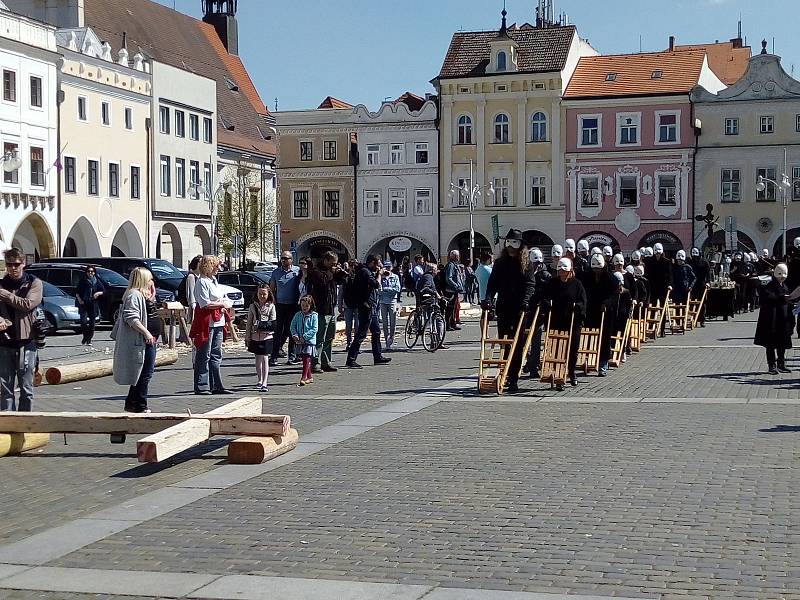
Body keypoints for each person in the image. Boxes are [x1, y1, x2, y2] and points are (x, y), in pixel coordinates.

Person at [484, 229, 536, 393]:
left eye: (514, 243)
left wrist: (526, 301)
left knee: (517, 343)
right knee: (505, 341)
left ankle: (513, 377)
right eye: (508, 243)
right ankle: (504, 373)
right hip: (504, 306)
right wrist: (488, 299)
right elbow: (492, 284)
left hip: (520, 308)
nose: (511, 247)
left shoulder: (526, 264)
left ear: (521, 246)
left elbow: (530, 285)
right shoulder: (500, 263)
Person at [0, 248, 43, 412]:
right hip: (4, 343)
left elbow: (27, 305)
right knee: (5, 390)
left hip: (27, 343)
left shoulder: (34, 282)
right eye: (9, 264)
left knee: (26, 389)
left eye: (16, 264)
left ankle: (25, 425)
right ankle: (7, 426)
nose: (13, 268)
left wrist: (4, 295)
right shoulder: (2, 284)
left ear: (23, 263)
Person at [111, 267, 157, 413]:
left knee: (143, 372)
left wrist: (152, 296)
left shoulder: (141, 295)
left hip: (149, 340)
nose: (152, 281)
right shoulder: (134, 295)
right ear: (142, 280)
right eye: (149, 279)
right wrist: (146, 333)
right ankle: (139, 404)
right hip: (142, 341)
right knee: (144, 373)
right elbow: (131, 317)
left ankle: (131, 402)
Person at [190, 255, 233, 395]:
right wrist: (222, 303)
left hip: (218, 322)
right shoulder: (201, 282)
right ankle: (202, 385)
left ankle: (216, 385)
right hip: (206, 323)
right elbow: (205, 304)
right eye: (216, 266)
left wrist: (225, 303)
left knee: (216, 354)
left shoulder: (213, 281)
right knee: (204, 355)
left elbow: (221, 297)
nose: (218, 269)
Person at [542, 258, 587, 390]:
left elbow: (583, 301)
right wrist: (546, 302)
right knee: (557, 350)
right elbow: (545, 296)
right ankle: (558, 377)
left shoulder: (577, 284)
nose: (561, 272)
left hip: (573, 322)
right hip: (557, 321)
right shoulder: (553, 283)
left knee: (572, 349)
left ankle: (571, 372)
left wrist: (578, 307)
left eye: (564, 270)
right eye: (560, 270)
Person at [346, 255, 391, 369]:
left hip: (371, 306)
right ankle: (351, 359)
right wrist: (379, 275)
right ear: (372, 262)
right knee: (362, 333)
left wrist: (378, 273)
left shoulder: (366, 271)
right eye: (377, 264)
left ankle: (378, 356)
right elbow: (376, 284)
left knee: (376, 332)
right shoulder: (365, 272)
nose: (378, 266)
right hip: (366, 306)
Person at [755, 263, 800, 374]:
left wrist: (791, 301)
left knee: (782, 342)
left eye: (784, 274)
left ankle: (781, 363)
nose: (782, 276)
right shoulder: (769, 286)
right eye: (780, 274)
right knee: (770, 343)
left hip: (782, 318)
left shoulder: (785, 286)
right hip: (772, 319)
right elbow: (767, 298)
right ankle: (772, 365)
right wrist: (781, 297)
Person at [307, 251, 347, 373]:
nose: (334, 265)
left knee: (329, 337)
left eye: (335, 263)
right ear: (326, 261)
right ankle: (315, 363)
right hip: (320, 310)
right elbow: (323, 281)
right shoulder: (316, 271)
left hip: (331, 309)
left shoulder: (331, 272)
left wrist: (341, 273)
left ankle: (326, 362)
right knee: (320, 338)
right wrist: (332, 272)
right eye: (332, 263)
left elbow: (342, 281)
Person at [579, 253, 616, 376]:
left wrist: (607, 303)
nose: (596, 271)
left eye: (598, 269)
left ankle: (603, 363)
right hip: (591, 311)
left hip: (605, 313)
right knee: (589, 336)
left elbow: (614, 295)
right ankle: (588, 360)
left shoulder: (611, 278)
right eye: (594, 268)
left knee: (604, 338)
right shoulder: (586, 277)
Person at [523, 247, 552, 378]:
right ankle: (529, 361)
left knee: (535, 341)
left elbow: (549, 294)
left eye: (538, 263)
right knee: (523, 341)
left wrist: (543, 302)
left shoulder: (545, 276)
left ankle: (533, 367)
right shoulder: (525, 273)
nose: (537, 265)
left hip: (538, 314)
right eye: (534, 263)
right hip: (526, 311)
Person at [269, 251, 301, 367]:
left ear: (291, 259)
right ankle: (274, 356)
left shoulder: (297, 271)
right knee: (278, 331)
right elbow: (271, 289)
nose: (284, 260)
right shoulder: (276, 272)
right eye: (282, 258)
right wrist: (273, 300)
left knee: (292, 330)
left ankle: (292, 356)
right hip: (280, 305)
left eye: (286, 258)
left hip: (293, 305)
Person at [245, 284, 276, 392]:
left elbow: (273, 322)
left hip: (267, 336)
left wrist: (263, 327)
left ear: (268, 294)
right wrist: (247, 337)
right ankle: (259, 380)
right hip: (255, 336)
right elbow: (249, 323)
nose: (262, 296)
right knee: (257, 358)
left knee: (265, 358)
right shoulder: (252, 306)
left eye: (264, 294)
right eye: (260, 294)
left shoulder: (271, 306)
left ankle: (265, 382)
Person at [290, 295, 319, 386]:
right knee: (304, 358)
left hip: (309, 341)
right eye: (303, 305)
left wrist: (305, 337)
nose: (304, 308)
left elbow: (314, 329)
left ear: (310, 306)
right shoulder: (297, 315)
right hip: (299, 341)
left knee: (307, 357)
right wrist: (295, 335)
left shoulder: (314, 316)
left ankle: (303, 377)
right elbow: (292, 326)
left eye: (306, 306)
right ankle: (310, 377)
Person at [75, 265, 103, 346]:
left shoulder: (96, 281)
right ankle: (85, 336)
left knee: (92, 322)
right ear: (86, 272)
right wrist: (80, 299)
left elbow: (103, 290)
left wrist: (98, 293)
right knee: (83, 321)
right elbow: (77, 291)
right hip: (83, 303)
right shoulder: (83, 280)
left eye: (92, 271)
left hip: (93, 303)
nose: (90, 273)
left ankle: (89, 339)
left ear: (94, 273)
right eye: (88, 271)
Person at [378, 260, 401, 350]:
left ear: (391, 268)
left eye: (389, 267)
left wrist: (386, 289)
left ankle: (391, 338)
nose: (387, 269)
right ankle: (387, 341)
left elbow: (397, 289)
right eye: (386, 267)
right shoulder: (381, 277)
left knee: (393, 322)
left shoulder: (395, 277)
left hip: (392, 301)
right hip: (383, 301)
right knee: (384, 322)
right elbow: (379, 290)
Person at [339, 260, 360, 353]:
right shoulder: (345, 278)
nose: (353, 268)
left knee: (357, 325)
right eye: (351, 266)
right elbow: (341, 293)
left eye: (354, 266)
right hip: (348, 304)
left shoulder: (359, 277)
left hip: (358, 305)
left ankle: (356, 344)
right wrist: (340, 305)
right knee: (348, 325)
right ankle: (349, 343)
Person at [688, 248, 711, 326]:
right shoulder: (690, 262)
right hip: (693, 284)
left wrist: (708, 282)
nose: (695, 256)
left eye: (696, 255)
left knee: (702, 302)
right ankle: (694, 318)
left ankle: (702, 319)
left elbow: (708, 274)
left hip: (702, 284)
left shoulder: (704, 262)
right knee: (693, 302)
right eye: (693, 254)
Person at [443, 250, 464, 331]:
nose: (458, 257)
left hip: (454, 290)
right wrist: (456, 285)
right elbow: (449, 278)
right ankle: (448, 325)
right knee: (450, 308)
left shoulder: (454, 265)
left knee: (454, 308)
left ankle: (452, 323)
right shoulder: (450, 265)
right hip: (450, 290)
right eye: (457, 256)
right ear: (454, 256)